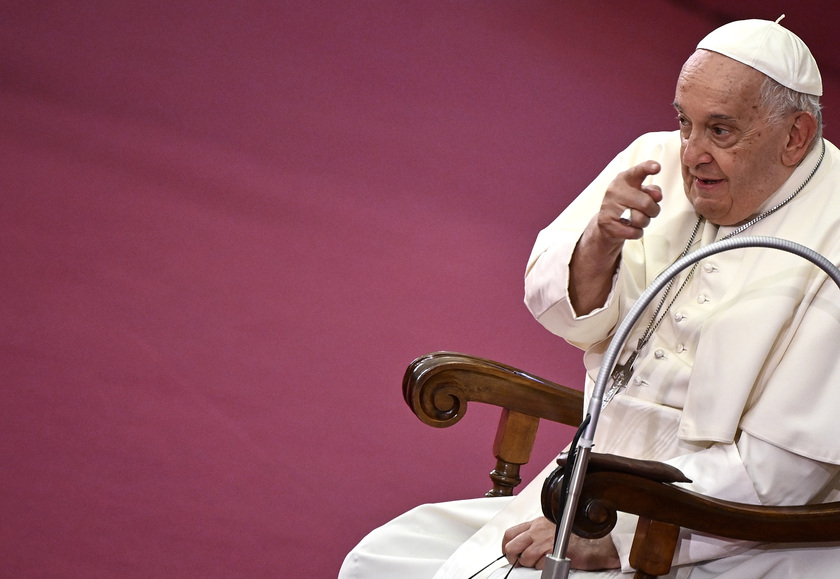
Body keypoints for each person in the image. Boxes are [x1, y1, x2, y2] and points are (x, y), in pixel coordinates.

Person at [339, 17, 840, 578]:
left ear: (795, 136)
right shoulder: (656, 161)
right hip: (588, 485)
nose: (691, 153)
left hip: (720, 534)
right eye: (684, 122)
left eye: (719, 131)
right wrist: (600, 242)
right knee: (382, 562)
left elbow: (780, 479)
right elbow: (559, 311)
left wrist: (615, 528)